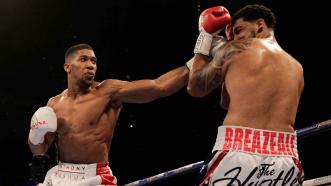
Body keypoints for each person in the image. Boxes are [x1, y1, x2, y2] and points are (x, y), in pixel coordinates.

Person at [28, 43, 191, 185]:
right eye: (83, 59)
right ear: (67, 67)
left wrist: (192, 64)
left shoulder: (107, 92)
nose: (91, 65)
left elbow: (159, 87)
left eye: (94, 61)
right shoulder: (54, 104)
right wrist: (35, 135)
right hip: (61, 175)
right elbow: (39, 150)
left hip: (94, 176)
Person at [188, 4, 305, 186]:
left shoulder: (237, 48)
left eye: (238, 30)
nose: (235, 37)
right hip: (286, 159)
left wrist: (205, 37)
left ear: (259, 25)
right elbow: (228, 101)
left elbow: (195, 87)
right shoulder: (297, 67)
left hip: (237, 153)